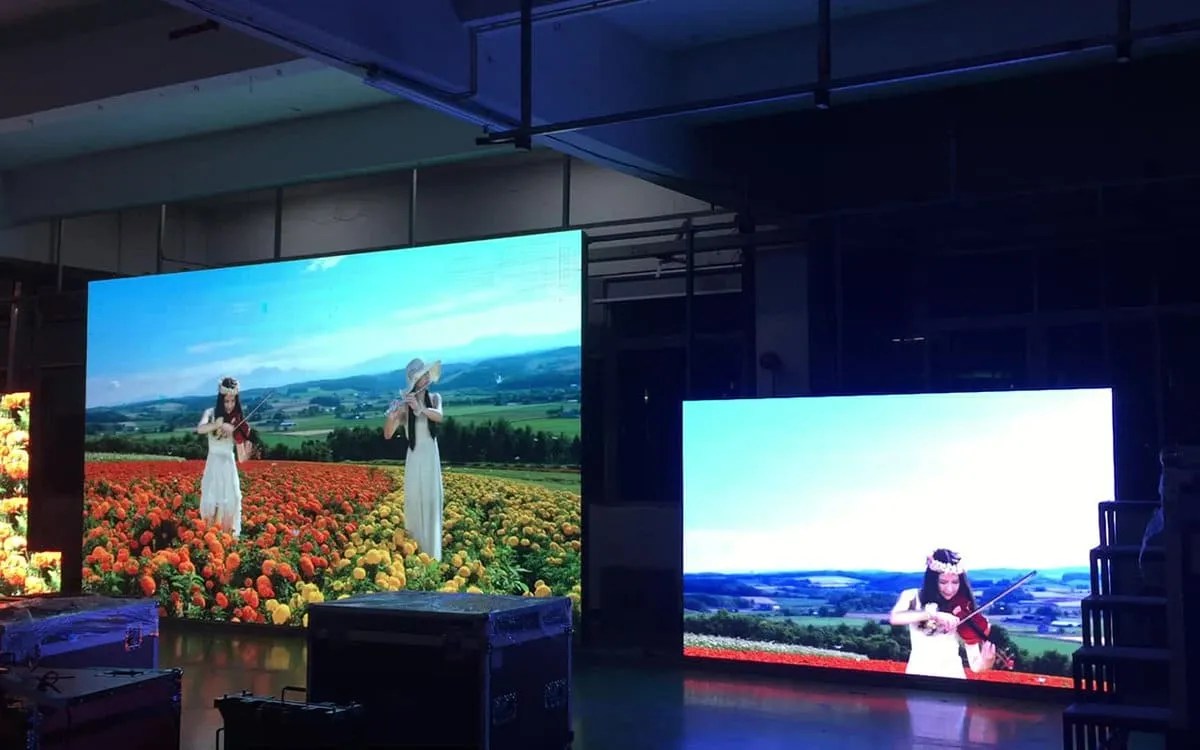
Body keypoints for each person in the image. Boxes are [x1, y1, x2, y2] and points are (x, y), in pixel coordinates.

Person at [889, 548, 998, 679]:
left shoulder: (963, 608)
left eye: (955, 582)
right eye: (943, 582)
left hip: (953, 679)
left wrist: (986, 663)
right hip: (917, 677)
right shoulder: (911, 596)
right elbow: (895, 617)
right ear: (932, 580)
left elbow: (976, 666)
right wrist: (933, 615)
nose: (949, 589)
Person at [383, 358, 445, 561]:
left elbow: (439, 416)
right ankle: (415, 553)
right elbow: (388, 435)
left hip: (430, 456)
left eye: (426, 374)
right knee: (415, 500)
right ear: (414, 381)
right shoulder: (405, 407)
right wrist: (392, 416)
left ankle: (432, 555)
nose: (426, 378)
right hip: (415, 457)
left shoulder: (434, 398)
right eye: (421, 376)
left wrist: (421, 409)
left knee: (431, 500)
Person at [196, 376, 250, 538]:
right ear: (221, 400)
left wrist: (246, 447)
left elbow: (241, 458)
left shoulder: (237, 421)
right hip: (213, 464)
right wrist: (217, 424)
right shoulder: (211, 413)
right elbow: (200, 429)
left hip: (228, 465)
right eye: (226, 401)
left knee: (230, 503)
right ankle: (210, 538)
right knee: (212, 503)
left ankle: (227, 539)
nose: (229, 405)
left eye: (233, 401)